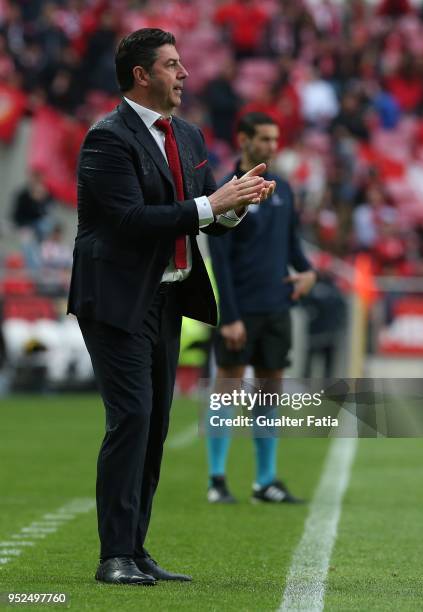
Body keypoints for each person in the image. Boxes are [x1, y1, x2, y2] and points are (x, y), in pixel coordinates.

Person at [67, 28, 275, 586]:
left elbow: (204, 210)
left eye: (182, 64)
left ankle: (135, 550)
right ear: (142, 75)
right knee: (132, 416)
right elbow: (131, 220)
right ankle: (114, 555)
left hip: (164, 295)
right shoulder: (106, 139)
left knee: (155, 421)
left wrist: (237, 204)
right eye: (172, 65)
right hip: (114, 297)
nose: (184, 74)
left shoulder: (186, 134)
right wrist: (214, 203)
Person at [207, 112, 316, 504]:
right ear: (243, 140)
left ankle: (265, 481)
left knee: (269, 393)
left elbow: (293, 248)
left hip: (276, 307)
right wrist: (230, 316)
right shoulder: (227, 191)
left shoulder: (282, 188)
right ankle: (217, 480)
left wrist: (308, 274)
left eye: (275, 139)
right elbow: (218, 258)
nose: (272, 146)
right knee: (227, 390)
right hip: (241, 309)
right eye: (264, 139)